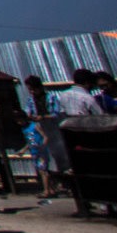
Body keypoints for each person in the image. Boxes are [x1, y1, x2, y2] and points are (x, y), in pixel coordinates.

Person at [22, 73, 70, 201]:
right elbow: (28, 112)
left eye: (33, 89)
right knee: (43, 160)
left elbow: (56, 113)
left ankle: (64, 184)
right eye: (30, 89)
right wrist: (30, 117)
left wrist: (43, 117)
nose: (32, 91)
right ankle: (49, 187)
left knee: (59, 156)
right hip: (39, 130)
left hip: (52, 129)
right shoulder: (31, 100)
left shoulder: (51, 97)